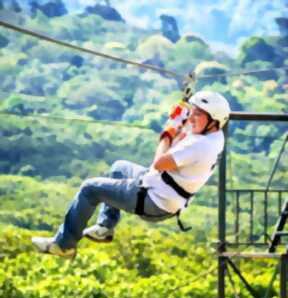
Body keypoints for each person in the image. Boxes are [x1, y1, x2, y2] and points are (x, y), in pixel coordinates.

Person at [32, 90, 231, 258]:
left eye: (199, 114)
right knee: (119, 167)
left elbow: (159, 163)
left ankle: (64, 245)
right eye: (192, 112)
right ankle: (105, 227)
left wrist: (167, 132)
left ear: (212, 121)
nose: (192, 118)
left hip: (153, 199)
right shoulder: (215, 136)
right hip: (166, 193)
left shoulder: (199, 145)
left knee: (89, 189)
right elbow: (185, 139)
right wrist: (181, 117)